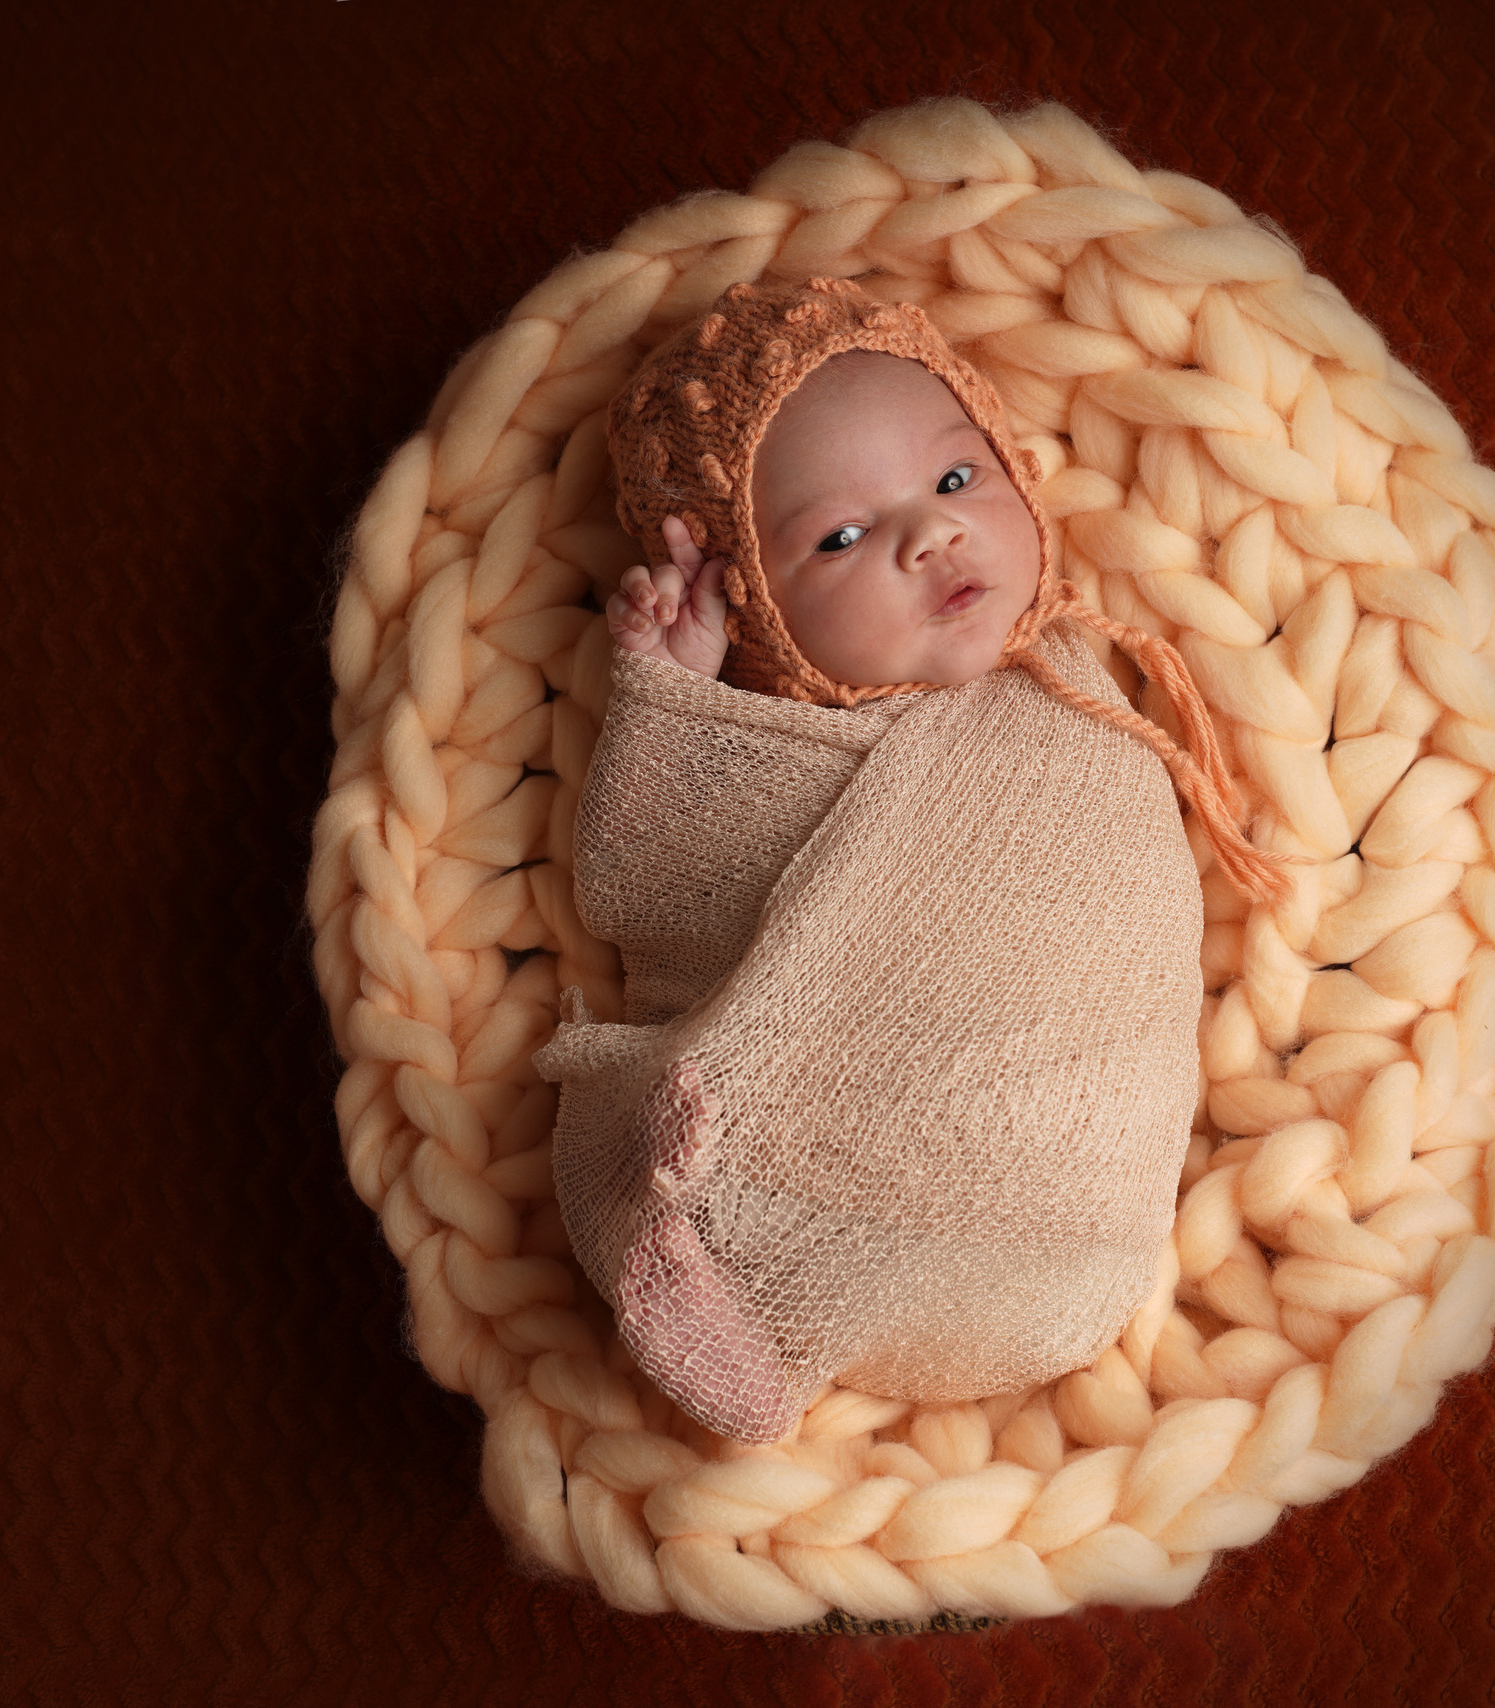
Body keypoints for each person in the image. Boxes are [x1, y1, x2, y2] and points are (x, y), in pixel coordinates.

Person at [539, 278, 1283, 1441]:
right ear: (757, 607)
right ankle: (730, 1304)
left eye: (954, 478)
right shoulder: (771, 736)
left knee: (746, 1120)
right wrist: (674, 694)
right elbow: (650, 875)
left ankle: (733, 1242)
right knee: (695, 1118)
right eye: (841, 538)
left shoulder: (1070, 677)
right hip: (835, 1142)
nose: (930, 535)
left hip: (1076, 1177)